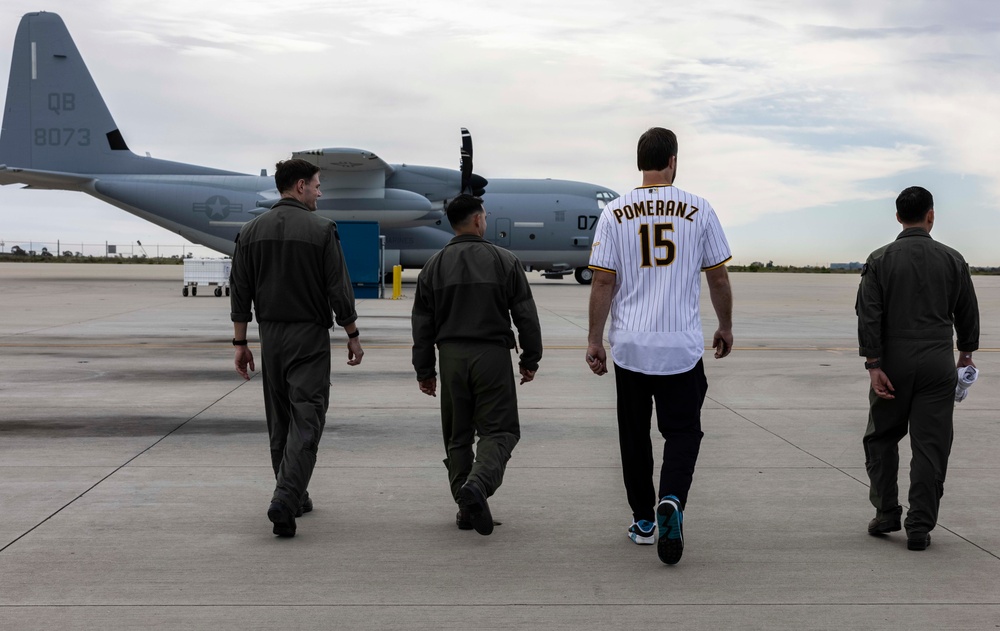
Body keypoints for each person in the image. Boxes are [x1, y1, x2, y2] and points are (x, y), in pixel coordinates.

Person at [586, 127, 733, 565]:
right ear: (672, 161)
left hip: (631, 346)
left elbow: (602, 279)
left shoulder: (614, 213)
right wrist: (725, 324)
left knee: (634, 435)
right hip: (680, 348)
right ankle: (671, 499)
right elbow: (718, 277)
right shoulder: (700, 209)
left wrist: (595, 338)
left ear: (640, 162)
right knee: (683, 432)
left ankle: (644, 520)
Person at [230, 158, 363, 538]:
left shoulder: (250, 231)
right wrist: (351, 332)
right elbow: (338, 287)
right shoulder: (322, 230)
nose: (321, 192)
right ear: (301, 185)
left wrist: (241, 342)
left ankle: (294, 493)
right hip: (308, 337)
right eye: (318, 185)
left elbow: (240, 292)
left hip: (269, 336)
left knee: (280, 420)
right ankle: (285, 498)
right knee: (308, 417)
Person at [856, 186, 979, 551]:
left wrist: (873, 363)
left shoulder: (879, 259)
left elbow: (869, 315)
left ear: (898, 217)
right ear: (931, 215)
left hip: (893, 362)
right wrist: (966, 355)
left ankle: (886, 512)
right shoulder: (953, 259)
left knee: (880, 437)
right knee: (931, 445)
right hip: (938, 362)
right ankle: (920, 527)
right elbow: (967, 313)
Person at [411, 194, 542, 536]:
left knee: (457, 437)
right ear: (478, 220)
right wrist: (530, 359)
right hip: (492, 357)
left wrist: (425, 371)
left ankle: (464, 505)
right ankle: (478, 486)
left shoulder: (433, 266)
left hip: (451, 356)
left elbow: (422, 325)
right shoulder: (504, 261)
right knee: (500, 431)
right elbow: (525, 314)